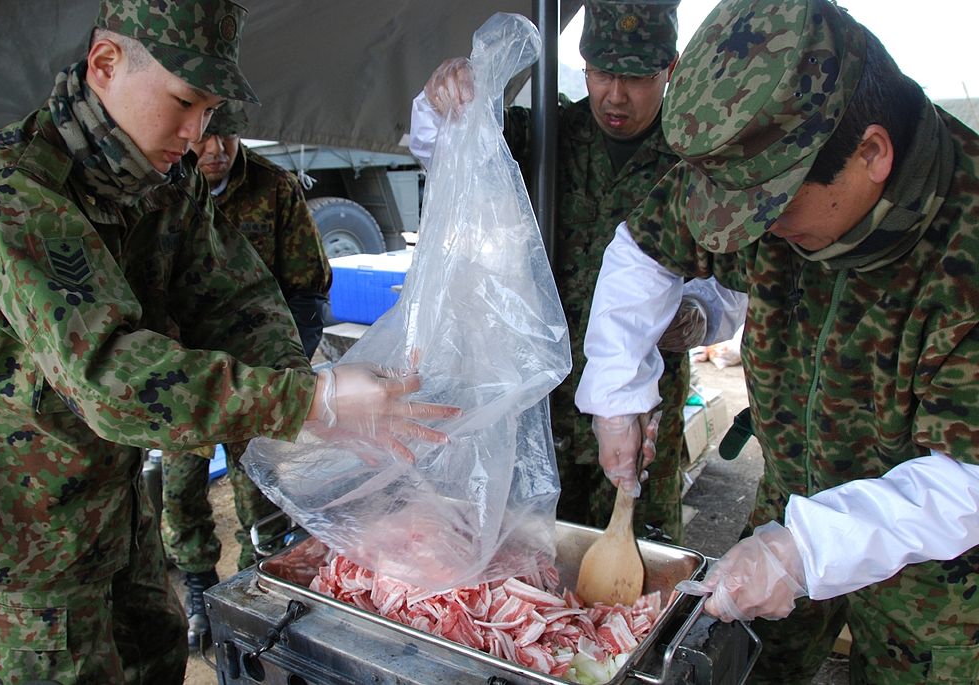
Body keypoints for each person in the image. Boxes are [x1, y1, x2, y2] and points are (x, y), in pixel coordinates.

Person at [0, 1, 457, 682]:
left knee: (159, 657)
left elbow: (238, 299)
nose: (196, 134)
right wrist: (307, 401)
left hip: (120, 510)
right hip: (28, 548)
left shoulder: (162, 182)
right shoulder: (6, 190)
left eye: (210, 112)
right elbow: (109, 377)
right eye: (184, 101)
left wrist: (310, 404)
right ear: (105, 64)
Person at [576, 0, 979, 682]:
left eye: (769, 212)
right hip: (788, 501)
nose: (746, 233)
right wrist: (618, 390)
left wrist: (804, 550)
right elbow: (646, 245)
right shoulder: (766, 163)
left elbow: (967, 480)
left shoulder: (965, 249)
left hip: (942, 581)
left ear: (872, 153)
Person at [411, 0, 745, 542]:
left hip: (642, 401)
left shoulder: (699, 158)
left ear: (673, 69)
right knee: (535, 547)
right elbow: (445, 149)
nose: (616, 95)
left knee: (638, 546)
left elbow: (733, 278)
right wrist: (443, 99)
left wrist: (699, 316)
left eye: (637, 77)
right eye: (602, 73)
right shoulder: (545, 133)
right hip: (542, 400)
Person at [157, 100, 332, 650]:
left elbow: (306, 291)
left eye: (226, 138)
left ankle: (259, 592)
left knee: (261, 489)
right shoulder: (161, 186)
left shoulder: (275, 188)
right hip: (184, 378)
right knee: (182, 488)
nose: (213, 151)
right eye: (205, 138)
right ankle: (199, 588)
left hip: (259, 380)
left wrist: (284, 377)